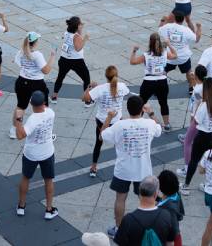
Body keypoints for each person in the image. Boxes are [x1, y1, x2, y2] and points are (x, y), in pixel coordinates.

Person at [101, 94, 164, 237]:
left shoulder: (120, 125)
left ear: (127, 109)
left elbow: (102, 135)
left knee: (120, 198)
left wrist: (110, 117)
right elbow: (160, 129)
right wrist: (152, 113)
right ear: (142, 109)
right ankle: (147, 228)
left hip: (123, 170)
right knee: (145, 200)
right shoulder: (149, 124)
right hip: (143, 170)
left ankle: (118, 229)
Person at [15, 90, 60, 219]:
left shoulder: (32, 120)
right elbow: (45, 108)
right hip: (47, 152)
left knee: (25, 178)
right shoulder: (51, 113)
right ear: (44, 102)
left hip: (31, 154)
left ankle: (21, 206)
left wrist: (18, 119)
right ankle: (49, 209)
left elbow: (19, 135)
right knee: (48, 180)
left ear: (31, 103)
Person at [112, 176, 178, 246]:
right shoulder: (166, 216)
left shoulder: (128, 220)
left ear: (140, 193)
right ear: (156, 194)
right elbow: (170, 243)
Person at [51, 15, 91, 103]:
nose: (82, 25)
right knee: (86, 79)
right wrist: (85, 39)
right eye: (80, 24)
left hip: (64, 59)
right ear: (76, 26)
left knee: (60, 77)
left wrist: (80, 30)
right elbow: (78, 48)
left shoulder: (67, 33)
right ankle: (87, 100)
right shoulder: (76, 37)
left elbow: (73, 38)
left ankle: (54, 96)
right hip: (76, 61)